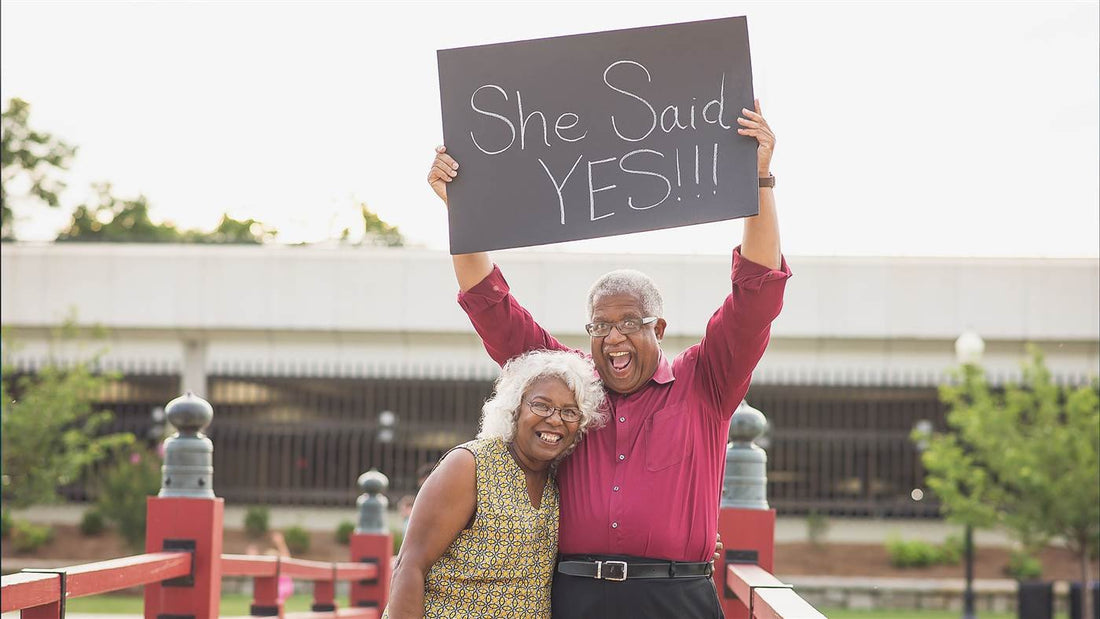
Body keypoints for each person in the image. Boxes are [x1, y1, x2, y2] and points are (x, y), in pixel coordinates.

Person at [426, 100, 789, 618]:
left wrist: (760, 181)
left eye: (628, 324)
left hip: (674, 598)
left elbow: (757, 293)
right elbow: (491, 305)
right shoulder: (563, 383)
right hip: (575, 595)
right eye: (600, 326)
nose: (612, 339)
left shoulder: (706, 379)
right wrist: (460, 208)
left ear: (657, 329)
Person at [383, 349, 606, 618]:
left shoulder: (557, 482)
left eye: (569, 412)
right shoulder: (470, 465)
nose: (555, 419)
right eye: (542, 405)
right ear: (515, 408)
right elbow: (409, 566)